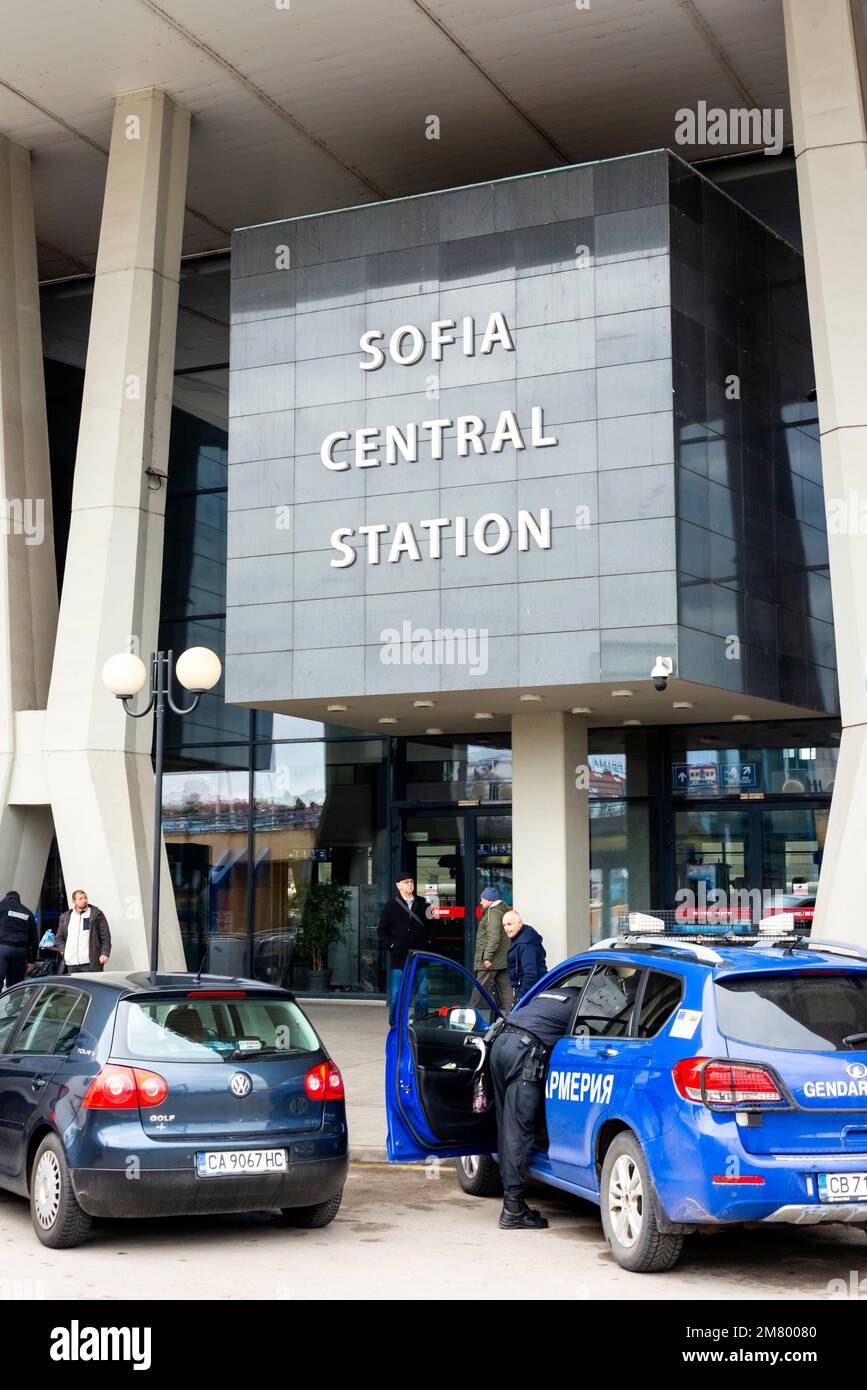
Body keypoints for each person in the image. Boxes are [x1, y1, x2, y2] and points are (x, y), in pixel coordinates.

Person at [489, 984, 581, 1230]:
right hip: (525, 1052)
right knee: (518, 1131)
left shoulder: (553, 992)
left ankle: (512, 1199)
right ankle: (513, 1209)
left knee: (506, 1125)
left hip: (501, 1044)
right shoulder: (586, 1002)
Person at [377, 873, 434, 1024]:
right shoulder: (390, 905)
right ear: (398, 885)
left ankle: (421, 1023)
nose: (410, 884)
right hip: (399, 957)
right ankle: (395, 1024)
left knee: (422, 993)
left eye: (412, 882)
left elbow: (433, 927)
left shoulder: (424, 904)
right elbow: (382, 931)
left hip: (420, 956)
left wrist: (427, 944)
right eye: (406, 882)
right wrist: (392, 945)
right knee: (397, 994)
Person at [472, 886, 511, 1010]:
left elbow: (493, 938)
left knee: (479, 989)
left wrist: (487, 957)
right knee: (506, 990)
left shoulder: (492, 912)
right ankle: (513, 1017)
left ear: (489, 900)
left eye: (482, 899)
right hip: (501, 959)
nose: (481, 902)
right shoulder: (501, 911)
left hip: (491, 961)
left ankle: (465, 1016)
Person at [55, 889, 111, 974]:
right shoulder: (65, 917)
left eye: (85, 898)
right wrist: (64, 952)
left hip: (90, 963)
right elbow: (59, 938)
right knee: (73, 987)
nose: (84, 900)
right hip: (71, 964)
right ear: (74, 901)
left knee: (91, 987)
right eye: (80, 899)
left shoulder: (96, 914)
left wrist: (105, 953)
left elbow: (105, 936)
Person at [503, 910, 547, 1003]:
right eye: (504, 925)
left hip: (532, 993)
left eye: (509, 924)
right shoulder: (521, 939)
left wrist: (521, 997)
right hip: (531, 991)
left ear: (520, 923)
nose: (506, 928)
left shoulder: (526, 944)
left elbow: (530, 974)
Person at [0, 890, 38, 989]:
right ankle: (14, 1004)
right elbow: (34, 939)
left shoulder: (1, 906)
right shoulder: (27, 912)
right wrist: (31, 960)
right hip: (20, 952)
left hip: (2, 949)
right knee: (15, 986)